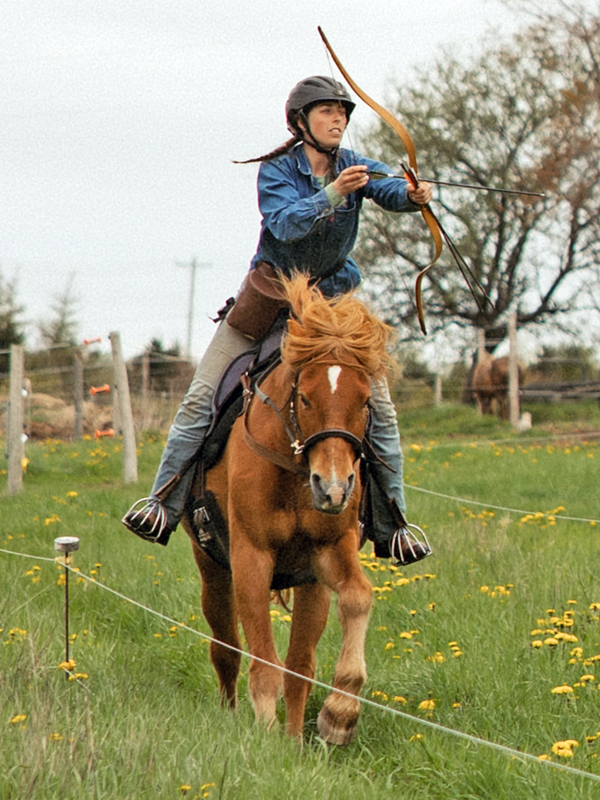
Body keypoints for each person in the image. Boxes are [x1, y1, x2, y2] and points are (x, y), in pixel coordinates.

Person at [122, 75, 432, 563]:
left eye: (343, 112)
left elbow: (390, 188)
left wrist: (413, 195)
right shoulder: (277, 170)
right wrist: (333, 194)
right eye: (327, 110)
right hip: (268, 303)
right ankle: (162, 503)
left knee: (382, 412)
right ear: (300, 122)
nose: (338, 118)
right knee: (201, 397)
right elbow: (284, 224)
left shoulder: (354, 164)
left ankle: (394, 527)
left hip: (331, 311)